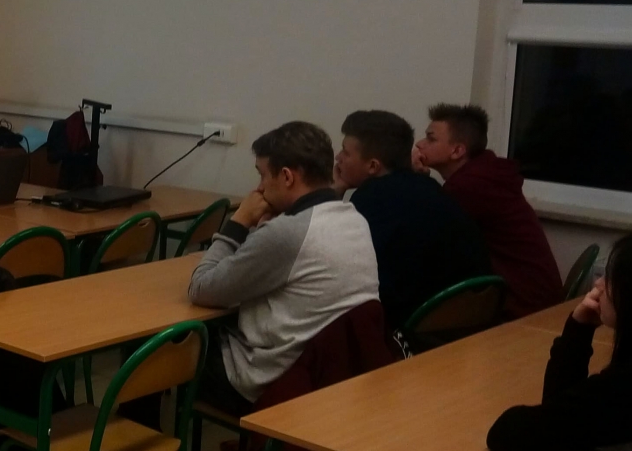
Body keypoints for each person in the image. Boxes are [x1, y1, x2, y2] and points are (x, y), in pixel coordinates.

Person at [188, 121, 381, 414]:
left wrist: (238, 222)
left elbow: (201, 287)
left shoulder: (287, 233)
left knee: (158, 347)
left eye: (263, 175)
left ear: (287, 177)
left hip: (268, 383)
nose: (259, 188)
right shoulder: (354, 218)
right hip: (329, 377)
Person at [333, 110, 491, 329]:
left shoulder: (371, 198)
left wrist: (335, 191)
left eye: (345, 152)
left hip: (417, 326)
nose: (338, 158)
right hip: (470, 318)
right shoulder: (431, 187)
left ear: (373, 166)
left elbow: (334, 263)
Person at [415, 103, 563, 318]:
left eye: (431, 139)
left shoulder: (470, 186)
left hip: (524, 306)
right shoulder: (484, 174)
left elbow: (426, 230)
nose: (419, 144)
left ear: (457, 151)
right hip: (537, 296)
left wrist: (413, 179)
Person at [487, 235, 632, 451]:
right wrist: (579, 329)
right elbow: (561, 421)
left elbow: (510, 432)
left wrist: (576, 332)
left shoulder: (619, 390)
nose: (598, 284)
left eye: (610, 278)